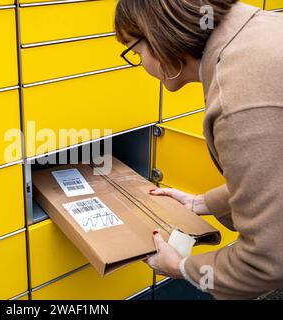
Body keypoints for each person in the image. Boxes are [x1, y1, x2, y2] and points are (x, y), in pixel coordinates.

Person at [114, 0, 283, 299]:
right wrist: (201, 204)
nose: (141, 64)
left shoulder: (239, 97)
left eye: (136, 52)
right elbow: (275, 178)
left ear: (157, 38)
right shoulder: (260, 31)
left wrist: (181, 267)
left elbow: (265, 262)